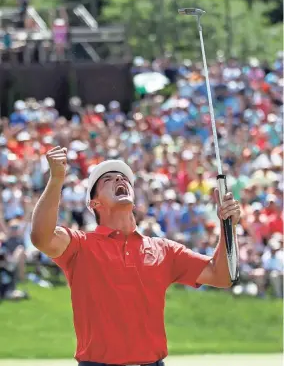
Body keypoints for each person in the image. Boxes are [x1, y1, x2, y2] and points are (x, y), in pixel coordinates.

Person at [30, 146, 241, 366]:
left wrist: (229, 227)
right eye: (108, 180)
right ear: (94, 203)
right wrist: (56, 179)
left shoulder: (164, 250)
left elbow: (221, 276)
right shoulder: (80, 245)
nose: (119, 179)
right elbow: (41, 237)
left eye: (123, 178)